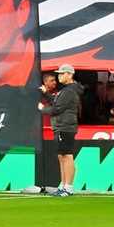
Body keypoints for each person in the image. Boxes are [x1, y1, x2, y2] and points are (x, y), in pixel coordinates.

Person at [40, 66, 82, 196]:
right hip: (62, 126)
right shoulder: (67, 90)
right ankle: (63, 185)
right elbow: (57, 102)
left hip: (65, 126)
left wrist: (42, 108)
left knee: (67, 156)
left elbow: (56, 109)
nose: (59, 77)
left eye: (61, 74)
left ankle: (68, 187)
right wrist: (46, 93)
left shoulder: (69, 91)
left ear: (69, 75)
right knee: (62, 156)